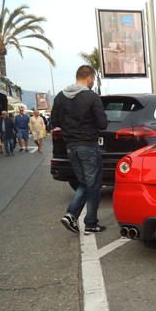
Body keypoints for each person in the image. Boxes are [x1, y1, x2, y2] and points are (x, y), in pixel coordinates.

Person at [51, 65, 109, 234]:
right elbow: (102, 124)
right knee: (94, 185)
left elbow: (54, 121)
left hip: (71, 147)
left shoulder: (60, 97)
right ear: (90, 78)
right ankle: (87, 222)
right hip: (89, 146)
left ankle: (73, 216)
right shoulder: (91, 97)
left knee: (84, 183)